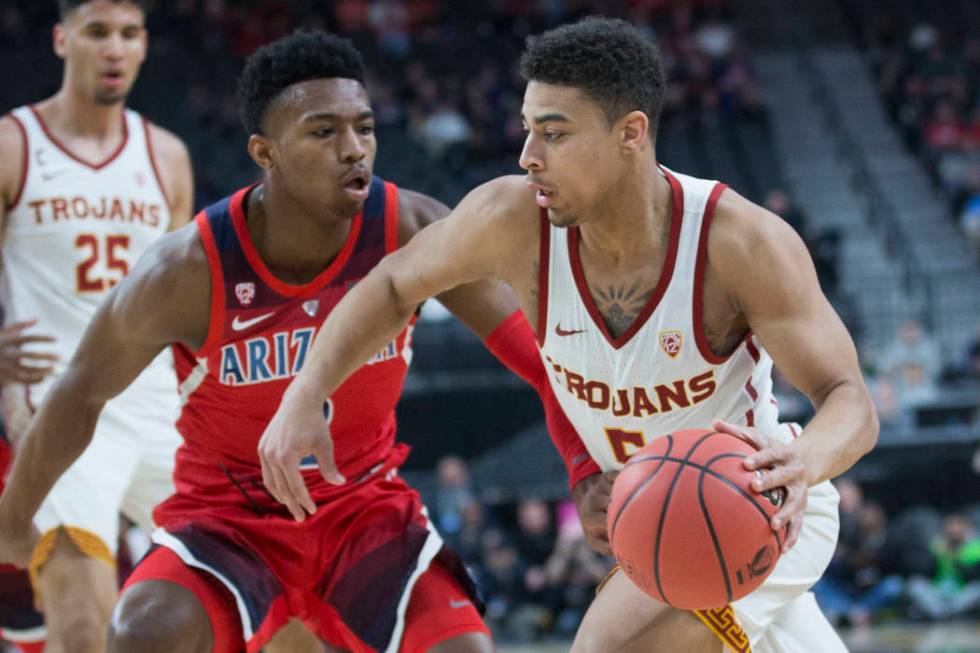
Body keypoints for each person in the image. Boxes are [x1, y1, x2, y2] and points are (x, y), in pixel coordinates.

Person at [259, 17, 879, 653]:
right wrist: (306, 393)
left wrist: (804, 464)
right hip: (652, 514)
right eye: (528, 129)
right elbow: (392, 285)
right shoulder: (512, 220)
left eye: (553, 133)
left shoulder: (738, 242)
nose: (528, 155)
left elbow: (850, 401)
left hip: (757, 505)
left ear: (630, 134)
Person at [0, 29, 588, 653]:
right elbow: (80, 393)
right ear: (265, 151)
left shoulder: (414, 228)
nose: (354, 149)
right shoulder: (187, 270)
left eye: (364, 127)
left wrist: (585, 465)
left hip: (366, 513)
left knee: (464, 648)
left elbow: (538, 356)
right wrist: (13, 520)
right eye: (323, 131)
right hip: (230, 521)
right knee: (143, 630)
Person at [0, 1, 193, 651]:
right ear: (61, 38)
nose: (114, 48)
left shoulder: (166, 156)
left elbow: (186, 299)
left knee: (268, 594)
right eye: (98, 32)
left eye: (129, 34)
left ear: (144, 46)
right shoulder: (12, 143)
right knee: (84, 629)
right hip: (59, 402)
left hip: (161, 402)